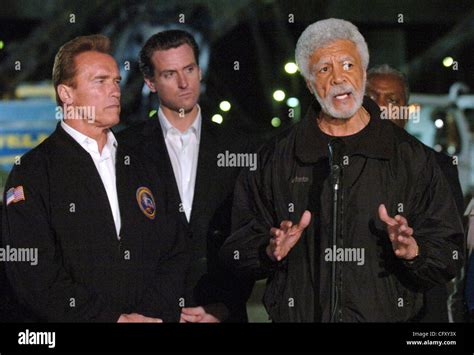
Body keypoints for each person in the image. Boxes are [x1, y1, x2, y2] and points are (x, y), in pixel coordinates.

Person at [220, 18, 464, 322]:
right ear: (310, 84)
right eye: (324, 69)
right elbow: (235, 250)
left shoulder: (413, 159)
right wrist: (267, 251)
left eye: (348, 65)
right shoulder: (274, 158)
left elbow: (450, 254)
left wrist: (416, 252)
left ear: (363, 72)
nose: (338, 78)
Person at [1, 34, 186, 322]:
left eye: (115, 81)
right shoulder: (33, 172)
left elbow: (176, 250)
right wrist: (110, 319)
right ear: (66, 94)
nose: (115, 90)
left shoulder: (146, 164)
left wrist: (147, 315)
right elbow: (31, 272)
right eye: (100, 81)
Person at [118, 29, 254, 322]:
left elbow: (248, 234)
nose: (183, 83)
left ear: (199, 70)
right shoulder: (123, 149)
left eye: (189, 69)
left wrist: (226, 305)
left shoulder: (239, 147)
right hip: (150, 315)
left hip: (221, 312)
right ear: (150, 83)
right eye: (169, 74)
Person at [366, 64, 467, 322]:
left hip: (421, 309)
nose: (380, 107)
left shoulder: (438, 166)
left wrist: (415, 251)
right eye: (370, 97)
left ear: (405, 110)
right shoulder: (335, 164)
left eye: (392, 100)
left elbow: (451, 248)